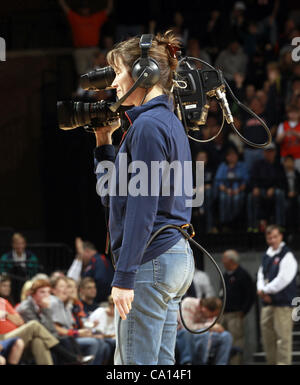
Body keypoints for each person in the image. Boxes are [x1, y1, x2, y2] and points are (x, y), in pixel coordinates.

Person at [93, 30, 195, 364]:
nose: (114, 83)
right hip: (170, 256)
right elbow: (114, 196)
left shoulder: (148, 127)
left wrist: (123, 276)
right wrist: (104, 143)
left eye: (119, 72)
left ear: (144, 74)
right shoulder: (165, 122)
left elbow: (142, 207)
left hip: (151, 259)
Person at [16, 279, 94, 365]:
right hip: (28, 340)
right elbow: (40, 329)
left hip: (46, 337)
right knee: (64, 342)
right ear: (33, 294)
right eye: (42, 292)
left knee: (69, 339)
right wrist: (46, 309)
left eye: (48, 292)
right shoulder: (26, 308)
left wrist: (46, 309)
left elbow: (51, 329)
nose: (46, 295)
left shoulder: (43, 304)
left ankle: (80, 361)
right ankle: (76, 359)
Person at [257, 225, 298, 365]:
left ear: (281, 236)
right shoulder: (267, 255)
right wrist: (262, 291)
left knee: (283, 339)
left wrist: (266, 290)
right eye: (269, 237)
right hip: (267, 303)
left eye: (275, 236)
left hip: (283, 304)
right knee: (268, 339)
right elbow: (260, 275)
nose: (272, 240)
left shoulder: (287, 255)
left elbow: (284, 279)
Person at [49, 275, 109, 365]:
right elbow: (56, 327)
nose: (67, 290)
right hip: (60, 339)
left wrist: (85, 331)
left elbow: (73, 327)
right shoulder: (54, 302)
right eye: (62, 286)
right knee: (94, 342)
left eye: (67, 286)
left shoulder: (67, 304)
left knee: (103, 343)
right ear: (53, 290)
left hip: (69, 337)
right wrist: (78, 333)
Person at [58, 0, 114, 75]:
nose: (85, 10)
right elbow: (65, 7)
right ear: (80, 10)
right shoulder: (75, 18)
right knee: (82, 74)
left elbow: (109, 9)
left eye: (86, 8)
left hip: (93, 50)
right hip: (80, 51)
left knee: (97, 73)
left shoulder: (95, 18)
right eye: (83, 8)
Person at [0, 297, 59, 365]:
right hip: (2, 339)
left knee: (38, 341)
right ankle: (58, 348)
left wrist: (6, 314)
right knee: (33, 325)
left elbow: (20, 322)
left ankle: (58, 349)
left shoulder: (1, 301)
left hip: (16, 336)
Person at [221, 249, 256, 364]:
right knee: (223, 341)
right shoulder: (225, 275)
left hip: (236, 314)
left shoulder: (242, 274)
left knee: (236, 342)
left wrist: (243, 311)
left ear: (231, 260)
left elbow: (250, 295)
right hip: (224, 314)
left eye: (224, 258)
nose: (222, 261)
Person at [176, 297, 232, 365]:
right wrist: (209, 326)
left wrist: (213, 328)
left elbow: (211, 329)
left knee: (226, 336)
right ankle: (195, 362)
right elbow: (186, 327)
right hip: (182, 334)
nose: (212, 318)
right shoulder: (188, 303)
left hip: (203, 335)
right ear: (204, 309)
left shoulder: (211, 313)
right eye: (211, 315)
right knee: (204, 333)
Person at [247, 142, 287, 232]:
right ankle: (252, 226)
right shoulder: (257, 164)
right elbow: (252, 179)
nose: (269, 153)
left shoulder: (279, 166)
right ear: (263, 153)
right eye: (267, 151)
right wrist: (255, 187)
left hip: (274, 191)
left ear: (275, 152)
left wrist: (274, 188)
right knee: (250, 197)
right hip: (260, 190)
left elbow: (282, 182)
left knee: (280, 193)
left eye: (271, 151)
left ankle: (280, 225)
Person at [67, 237, 114, 304]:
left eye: (81, 254)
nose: (81, 258)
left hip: (102, 301)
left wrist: (94, 297)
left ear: (87, 251)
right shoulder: (94, 261)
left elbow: (101, 280)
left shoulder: (98, 260)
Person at [214, 146, 248, 231]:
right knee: (223, 198)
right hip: (225, 190)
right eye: (230, 155)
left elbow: (246, 181)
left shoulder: (242, 166)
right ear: (227, 157)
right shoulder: (223, 166)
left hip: (238, 190)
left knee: (236, 199)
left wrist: (238, 190)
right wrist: (226, 190)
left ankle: (234, 221)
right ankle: (225, 222)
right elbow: (218, 181)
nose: (232, 157)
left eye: (234, 155)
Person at [0, 233, 39, 303]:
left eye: (21, 243)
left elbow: (34, 271)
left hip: (25, 280)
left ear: (25, 244)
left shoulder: (31, 256)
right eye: (17, 244)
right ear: (13, 244)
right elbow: (2, 271)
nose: (19, 246)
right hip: (12, 282)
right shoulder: (6, 257)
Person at [276, 104, 300, 172]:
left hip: (298, 156)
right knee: (286, 177)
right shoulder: (283, 125)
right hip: (286, 157)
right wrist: (285, 133)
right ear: (288, 114)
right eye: (291, 112)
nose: (293, 114)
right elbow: (278, 140)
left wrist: (295, 133)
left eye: (295, 112)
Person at [282, 155, 300, 231]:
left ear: (293, 163)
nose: (289, 163)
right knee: (287, 205)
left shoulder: (297, 173)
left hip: (296, 195)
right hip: (285, 196)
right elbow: (280, 185)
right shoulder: (281, 174)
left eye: (291, 161)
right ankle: (287, 228)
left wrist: (295, 193)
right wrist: (287, 193)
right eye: (287, 161)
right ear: (284, 163)